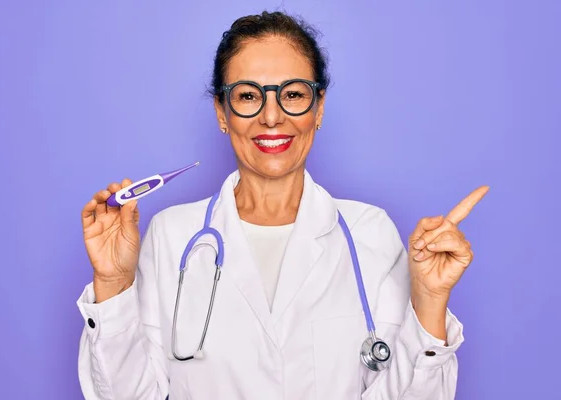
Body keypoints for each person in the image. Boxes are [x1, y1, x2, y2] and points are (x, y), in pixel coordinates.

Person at [77, 10, 488, 400]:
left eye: (292, 94)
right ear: (222, 112)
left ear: (319, 107)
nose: (271, 116)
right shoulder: (172, 235)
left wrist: (430, 300)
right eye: (247, 95)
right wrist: (112, 283)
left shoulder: (370, 232)